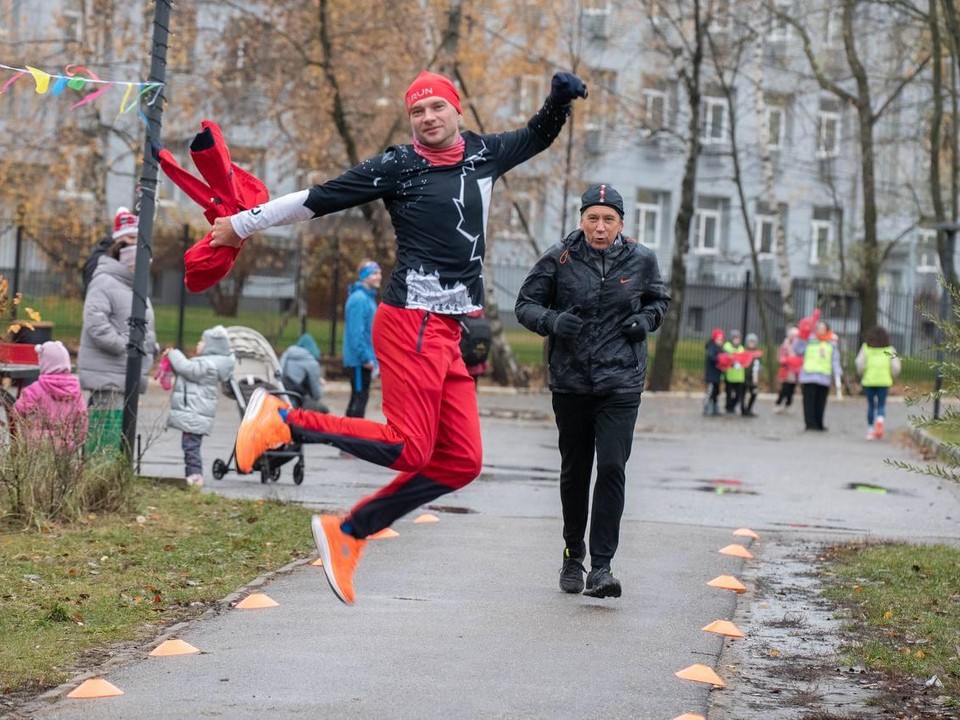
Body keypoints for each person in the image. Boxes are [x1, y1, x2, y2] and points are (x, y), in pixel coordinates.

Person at [210, 68, 587, 604]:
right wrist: (243, 224)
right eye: (417, 111)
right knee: (410, 447)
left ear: (457, 110)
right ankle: (283, 420)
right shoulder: (399, 165)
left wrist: (558, 100)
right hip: (411, 318)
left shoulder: (485, 154)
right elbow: (318, 198)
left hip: (448, 329)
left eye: (437, 107)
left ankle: (349, 532)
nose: (428, 118)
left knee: (460, 461)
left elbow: (538, 134)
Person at [515, 183, 670, 599]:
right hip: (572, 380)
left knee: (613, 468)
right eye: (592, 218)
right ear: (581, 220)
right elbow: (525, 305)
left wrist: (647, 321)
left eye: (608, 220)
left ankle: (602, 567)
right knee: (576, 470)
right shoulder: (559, 257)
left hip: (621, 381)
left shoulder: (641, 259)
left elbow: (659, 300)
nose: (600, 228)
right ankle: (572, 555)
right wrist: (552, 322)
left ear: (621, 223)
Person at [78, 213, 158, 454]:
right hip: (110, 373)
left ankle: (111, 482)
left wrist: (150, 346)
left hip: (126, 373)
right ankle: (98, 485)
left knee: (117, 439)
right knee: (105, 439)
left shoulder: (133, 286)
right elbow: (96, 323)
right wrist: (127, 346)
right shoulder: (105, 281)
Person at [164, 325, 236, 486]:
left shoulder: (208, 366)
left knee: (191, 446)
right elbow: (186, 373)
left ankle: (195, 476)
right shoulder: (207, 364)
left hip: (196, 413)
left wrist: (174, 354)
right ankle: (192, 474)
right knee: (189, 445)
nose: (198, 344)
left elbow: (186, 368)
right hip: (195, 411)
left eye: (202, 341)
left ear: (212, 346)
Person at [12, 340, 88, 454]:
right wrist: (77, 441)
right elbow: (83, 418)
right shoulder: (75, 391)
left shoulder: (35, 389)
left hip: (37, 446)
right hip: (66, 445)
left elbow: (17, 412)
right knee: (62, 471)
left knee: (39, 472)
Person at [342, 260, 380, 419]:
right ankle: (351, 437)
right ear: (364, 277)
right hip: (359, 361)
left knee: (358, 398)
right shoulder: (360, 299)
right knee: (359, 400)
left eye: (379, 273)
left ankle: (349, 437)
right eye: (374, 273)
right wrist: (366, 358)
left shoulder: (366, 298)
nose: (379, 276)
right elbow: (356, 333)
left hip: (363, 359)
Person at [795, 315, 841, 431]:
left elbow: (835, 359)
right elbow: (798, 350)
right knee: (809, 402)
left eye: (823, 328)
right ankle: (810, 423)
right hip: (809, 376)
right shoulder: (809, 340)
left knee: (820, 402)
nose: (821, 330)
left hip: (824, 377)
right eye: (819, 327)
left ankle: (819, 423)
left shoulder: (831, 343)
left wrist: (837, 374)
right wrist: (801, 337)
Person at [855, 326, 901, 440]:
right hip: (883, 381)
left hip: (869, 381)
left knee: (871, 405)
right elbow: (896, 366)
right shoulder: (889, 349)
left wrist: (861, 373)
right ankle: (880, 419)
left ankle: (870, 430)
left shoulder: (866, 348)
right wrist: (893, 374)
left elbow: (859, 363)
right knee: (881, 404)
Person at [82, 207, 138, 297]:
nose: (135, 242)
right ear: (117, 237)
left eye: (137, 238)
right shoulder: (98, 260)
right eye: (131, 237)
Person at [279, 333, 329, 413]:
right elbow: (316, 394)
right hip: (296, 398)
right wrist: (320, 383)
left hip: (280, 395)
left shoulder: (286, 354)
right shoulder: (311, 362)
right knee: (323, 410)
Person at [460, 309, 493, 387]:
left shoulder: (461, 312)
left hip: (462, 361)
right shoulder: (480, 313)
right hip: (477, 361)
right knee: (473, 386)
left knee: (461, 387)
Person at [774, 326, 801, 413]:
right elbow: (781, 358)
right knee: (785, 388)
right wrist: (788, 361)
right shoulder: (785, 346)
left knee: (792, 389)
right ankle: (778, 403)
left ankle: (788, 404)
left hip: (795, 372)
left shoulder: (799, 347)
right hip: (786, 370)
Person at [722, 329, 745, 414]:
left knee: (739, 394)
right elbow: (727, 357)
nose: (737, 340)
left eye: (738, 338)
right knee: (729, 393)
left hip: (739, 375)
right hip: (730, 374)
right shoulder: (727, 346)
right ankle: (728, 407)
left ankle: (732, 405)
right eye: (735, 338)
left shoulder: (741, 348)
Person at [703, 328, 724, 417]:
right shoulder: (711, 347)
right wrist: (719, 359)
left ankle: (715, 407)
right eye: (719, 339)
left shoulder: (720, 348)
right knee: (710, 392)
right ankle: (707, 407)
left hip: (717, 375)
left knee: (716, 392)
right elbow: (712, 357)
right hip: (711, 375)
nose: (720, 341)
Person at [741, 332, 762, 417]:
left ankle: (749, 409)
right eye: (750, 342)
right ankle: (743, 409)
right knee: (742, 394)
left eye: (753, 342)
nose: (751, 344)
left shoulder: (758, 354)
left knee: (754, 393)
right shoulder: (743, 352)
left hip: (753, 378)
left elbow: (759, 365)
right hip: (744, 377)